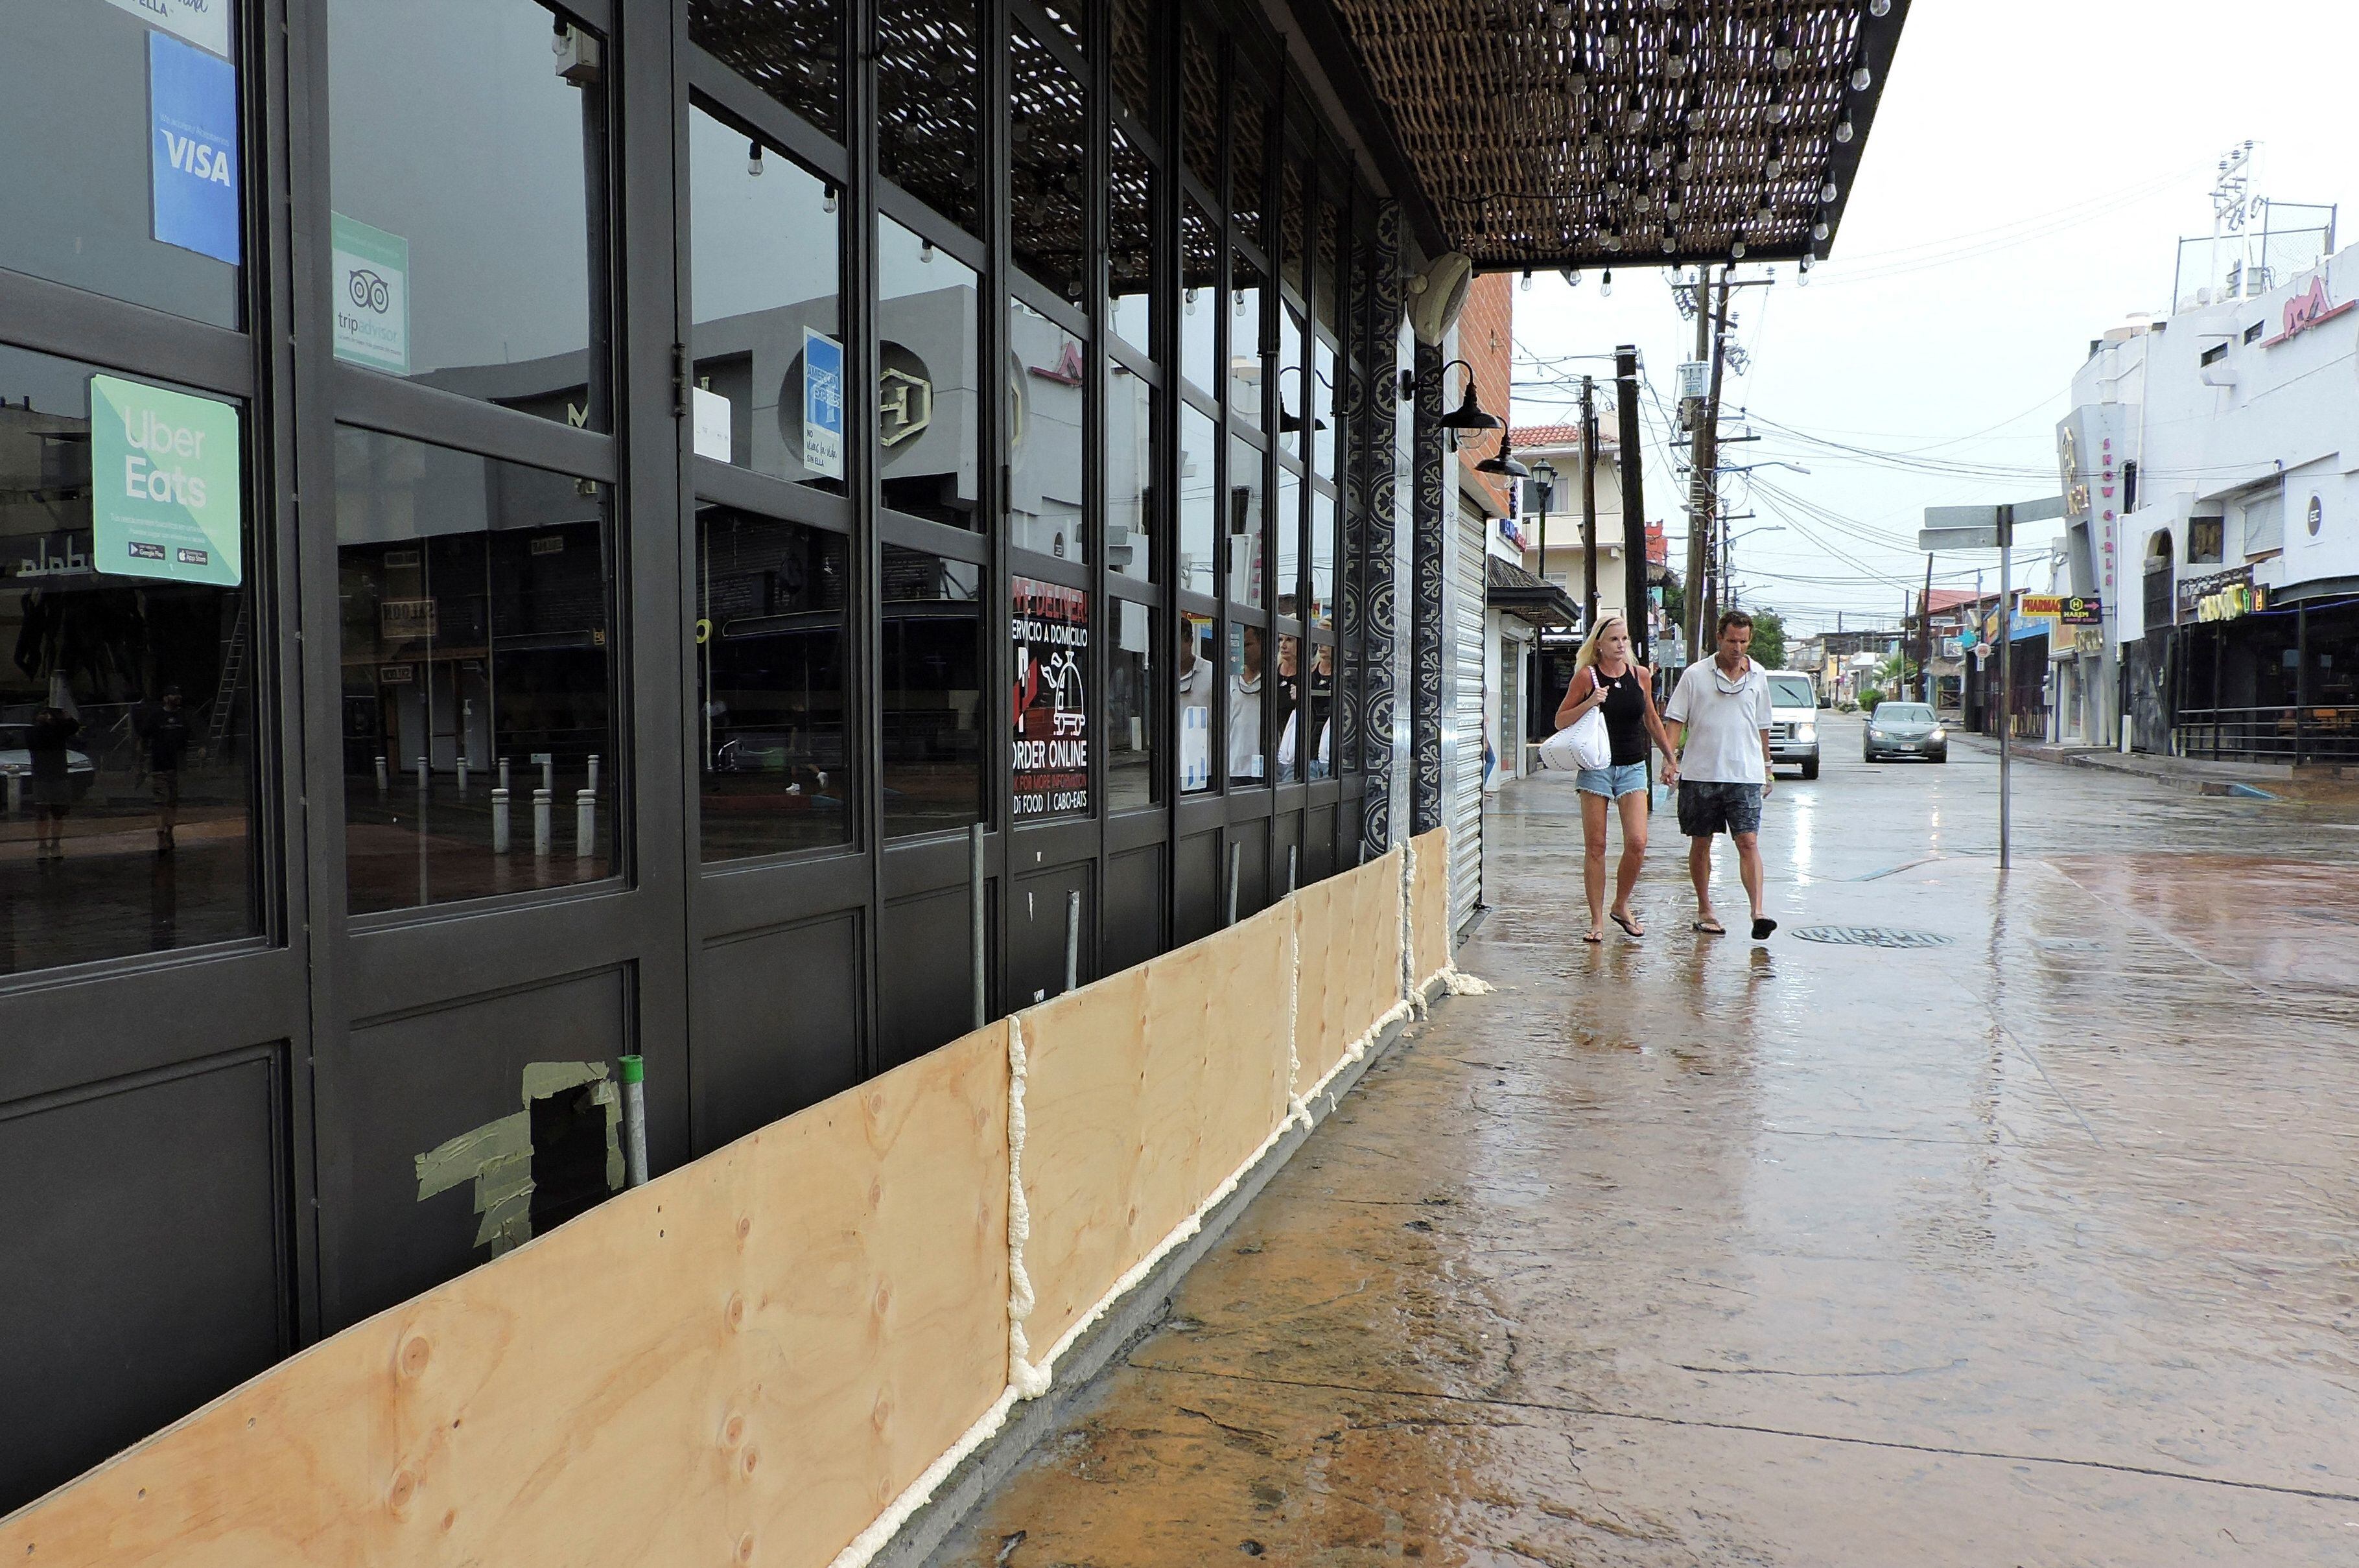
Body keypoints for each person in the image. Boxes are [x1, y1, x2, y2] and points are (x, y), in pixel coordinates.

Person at [1553, 614, 1680, 943]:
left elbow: (1651, 717)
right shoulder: (1587, 677)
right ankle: (1596, 921)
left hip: (1633, 765)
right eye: (1614, 640)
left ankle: (1621, 905)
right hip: (1596, 766)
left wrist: (1669, 756)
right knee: (1596, 846)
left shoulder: (1640, 675)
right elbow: (1560, 720)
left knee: (1637, 842)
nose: (1621, 645)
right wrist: (1591, 702)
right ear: (1599, 645)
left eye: (1624, 639)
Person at [1661, 611, 1777, 940]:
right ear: (1719, 639)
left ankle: (1758, 912)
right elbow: (1675, 720)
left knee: (1748, 841)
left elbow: (1763, 725)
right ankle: (1705, 908)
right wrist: (1670, 761)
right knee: (1702, 842)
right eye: (1731, 641)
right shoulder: (1695, 675)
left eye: (1743, 641)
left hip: (1745, 773)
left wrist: (1767, 768)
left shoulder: (1759, 676)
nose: (1737, 648)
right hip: (1700, 773)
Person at [137, 686, 192, 853]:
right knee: (162, 801)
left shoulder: (183, 716)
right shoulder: (156, 716)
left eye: (178, 694)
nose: (177, 697)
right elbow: (142, 738)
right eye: (173, 695)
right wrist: (140, 762)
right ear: (165, 698)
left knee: (173, 802)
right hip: (159, 766)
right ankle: (161, 835)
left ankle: (170, 831)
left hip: (176, 767)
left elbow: (192, 733)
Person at [28, 705, 81, 863]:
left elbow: (73, 728)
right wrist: (45, 723)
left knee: (58, 814)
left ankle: (56, 844)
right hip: (42, 777)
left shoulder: (59, 730)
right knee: (42, 813)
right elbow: (38, 741)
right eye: (43, 714)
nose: (48, 717)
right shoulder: (33, 732)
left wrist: (65, 718)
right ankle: (42, 845)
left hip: (59, 776)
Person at [1228, 624, 1265, 786]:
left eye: (1248, 645)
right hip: (1233, 768)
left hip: (1263, 767)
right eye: (1240, 645)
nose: (1243, 650)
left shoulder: (1275, 680)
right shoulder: (1229, 680)